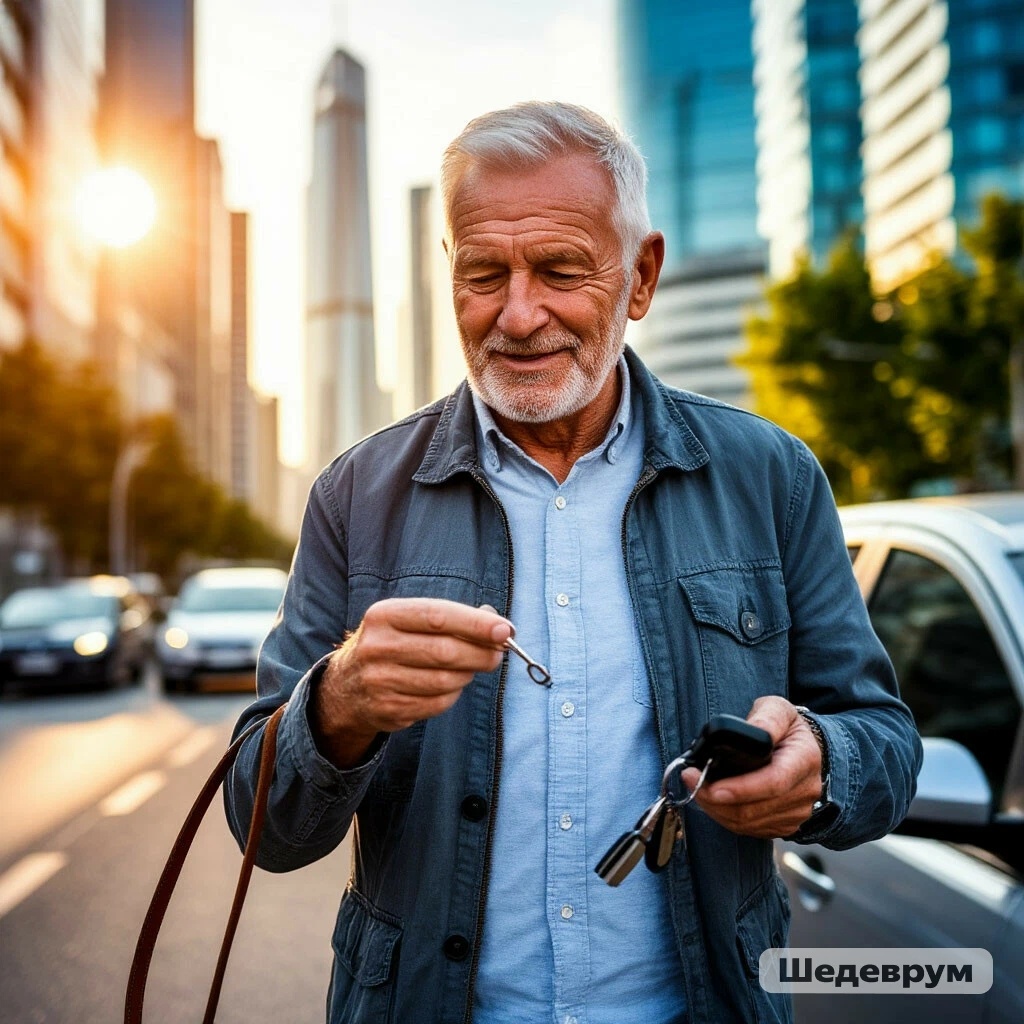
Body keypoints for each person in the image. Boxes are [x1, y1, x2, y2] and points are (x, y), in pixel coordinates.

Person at [225, 101, 921, 1024]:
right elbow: (260, 827)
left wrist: (823, 764)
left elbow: (886, 742)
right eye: (484, 274)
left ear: (641, 277)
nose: (518, 314)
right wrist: (338, 704)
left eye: (559, 269)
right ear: (450, 275)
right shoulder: (355, 496)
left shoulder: (772, 478)